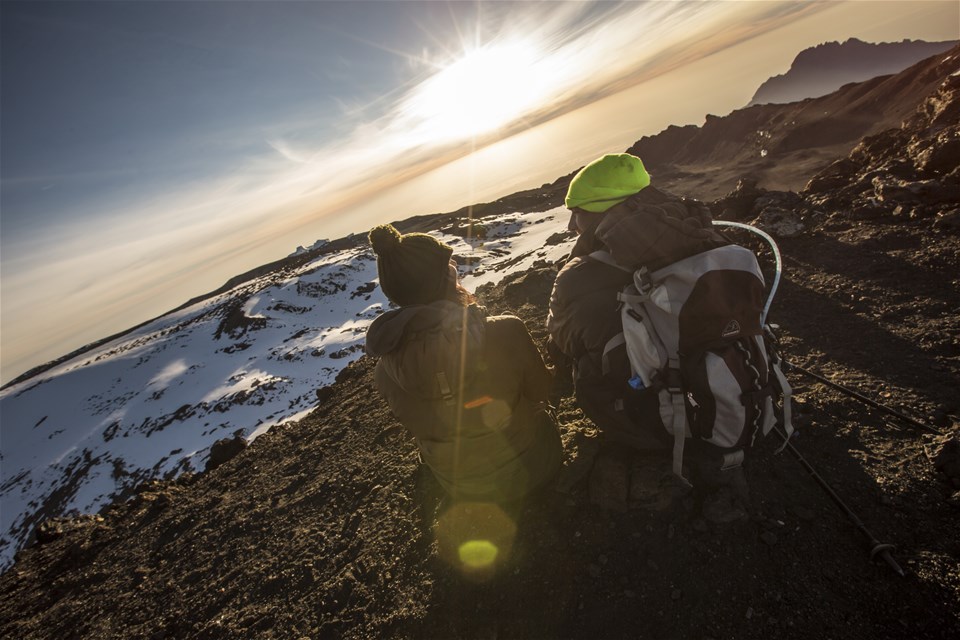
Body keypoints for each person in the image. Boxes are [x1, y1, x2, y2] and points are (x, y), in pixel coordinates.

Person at [546, 153, 749, 517]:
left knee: (581, 361)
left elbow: (561, 340)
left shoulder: (578, 277)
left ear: (598, 212)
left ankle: (649, 435)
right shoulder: (700, 230)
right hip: (743, 381)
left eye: (577, 211)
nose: (572, 223)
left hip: (658, 419)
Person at [365, 223, 563, 505]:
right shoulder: (504, 331)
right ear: (444, 279)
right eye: (448, 265)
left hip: (463, 488)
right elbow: (542, 391)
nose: (455, 266)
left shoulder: (385, 373)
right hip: (536, 467)